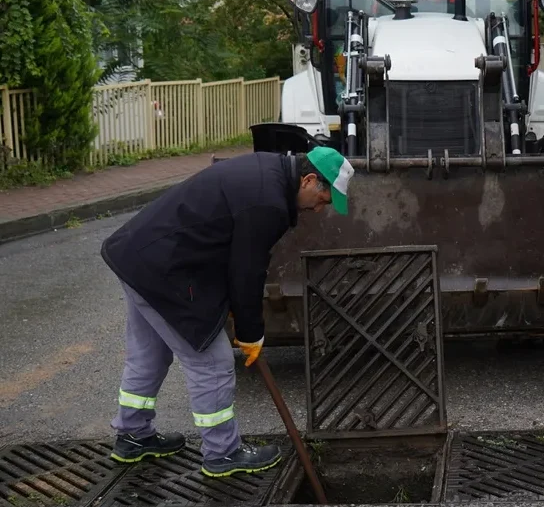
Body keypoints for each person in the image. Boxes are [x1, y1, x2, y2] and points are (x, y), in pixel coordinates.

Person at [101, 146, 355, 477]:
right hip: (163, 268)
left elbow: (227, 244)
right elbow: (246, 270)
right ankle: (222, 453)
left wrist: (233, 309)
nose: (320, 209)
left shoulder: (270, 170)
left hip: (136, 255)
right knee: (213, 362)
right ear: (308, 180)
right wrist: (250, 332)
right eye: (323, 200)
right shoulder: (270, 203)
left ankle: (133, 435)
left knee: (149, 353)